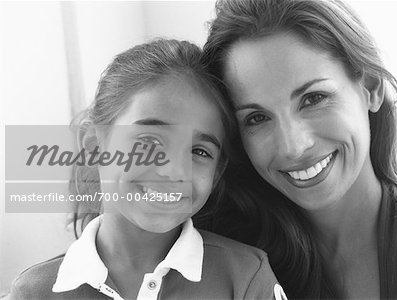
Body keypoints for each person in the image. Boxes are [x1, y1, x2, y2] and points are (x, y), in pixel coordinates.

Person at [200, 0, 397, 298]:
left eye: (313, 98)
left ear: (370, 87)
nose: (294, 146)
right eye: (257, 118)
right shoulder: (224, 258)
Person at [8, 39, 286, 300]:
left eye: (199, 152)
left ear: (217, 172)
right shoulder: (34, 292)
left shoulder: (246, 278)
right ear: (93, 144)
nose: (172, 171)